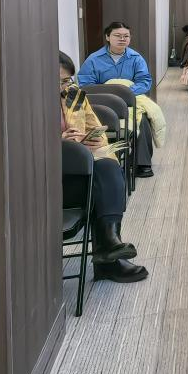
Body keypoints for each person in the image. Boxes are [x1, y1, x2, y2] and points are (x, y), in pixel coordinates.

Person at [59, 52, 147, 283]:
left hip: (81, 172)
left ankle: (110, 244)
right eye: (57, 82)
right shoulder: (25, 105)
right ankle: (108, 255)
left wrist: (94, 141)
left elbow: (97, 131)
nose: (63, 87)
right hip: (53, 181)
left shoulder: (74, 95)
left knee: (107, 166)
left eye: (66, 81)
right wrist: (61, 142)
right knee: (104, 181)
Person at [77, 22, 158, 176]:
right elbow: (86, 84)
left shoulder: (136, 58)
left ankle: (143, 163)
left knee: (143, 119)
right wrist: (109, 94)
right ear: (108, 37)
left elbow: (145, 81)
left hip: (129, 102)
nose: (122, 39)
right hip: (102, 102)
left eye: (126, 36)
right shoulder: (93, 59)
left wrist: (126, 93)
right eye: (117, 35)